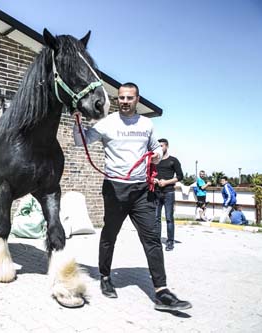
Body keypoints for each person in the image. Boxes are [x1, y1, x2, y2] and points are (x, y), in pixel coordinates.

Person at [73, 82, 191, 311]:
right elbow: (81, 141)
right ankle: (105, 276)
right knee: (109, 235)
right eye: (121, 98)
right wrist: (77, 121)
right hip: (115, 189)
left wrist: (157, 154)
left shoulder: (146, 124)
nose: (125, 102)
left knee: (153, 239)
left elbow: (156, 147)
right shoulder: (107, 123)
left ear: (137, 99)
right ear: (117, 100)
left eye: (129, 98)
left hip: (141, 192)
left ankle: (161, 292)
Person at [154, 138, 183, 251]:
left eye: (161, 146)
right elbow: (150, 174)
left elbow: (180, 176)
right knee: (156, 218)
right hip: (156, 192)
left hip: (169, 192)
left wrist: (166, 182)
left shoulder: (173, 160)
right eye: (158, 146)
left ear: (167, 146)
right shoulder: (154, 161)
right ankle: (156, 241)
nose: (160, 148)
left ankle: (170, 241)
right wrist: (155, 180)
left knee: (169, 218)